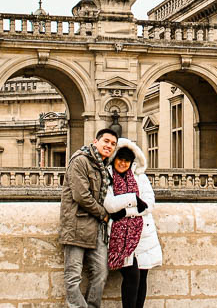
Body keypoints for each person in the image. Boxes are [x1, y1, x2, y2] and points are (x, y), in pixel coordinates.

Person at [59, 127, 118, 308]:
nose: (109, 146)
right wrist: (103, 214)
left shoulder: (105, 166)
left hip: (96, 228)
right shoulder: (80, 161)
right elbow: (81, 196)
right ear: (95, 141)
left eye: (113, 144)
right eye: (106, 141)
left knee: (101, 272)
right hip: (77, 225)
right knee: (73, 275)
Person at [103, 138, 162, 308]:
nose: (123, 163)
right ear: (114, 159)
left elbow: (148, 204)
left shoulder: (140, 177)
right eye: (120, 159)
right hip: (119, 236)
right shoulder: (107, 177)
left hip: (143, 234)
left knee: (142, 275)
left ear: (132, 162)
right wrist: (134, 199)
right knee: (132, 275)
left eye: (127, 160)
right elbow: (110, 205)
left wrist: (126, 211)